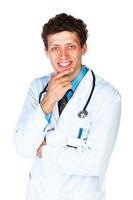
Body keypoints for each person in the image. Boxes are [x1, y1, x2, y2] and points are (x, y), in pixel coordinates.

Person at [13, 13, 121, 200]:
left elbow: (96, 163)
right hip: (39, 194)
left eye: (70, 46)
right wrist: (48, 101)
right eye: (55, 48)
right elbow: (23, 147)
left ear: (83, 48)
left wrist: (45, 150)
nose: (63, 56)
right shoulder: (38, 88)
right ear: (47, 52)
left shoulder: (107, 96)